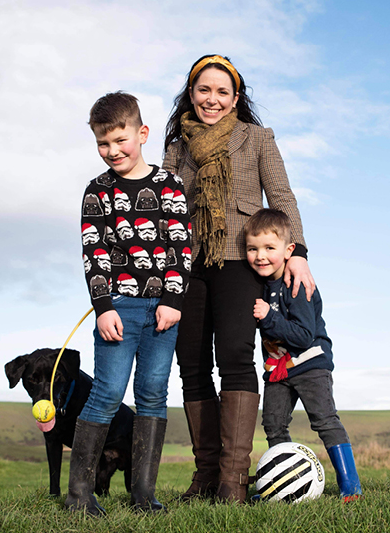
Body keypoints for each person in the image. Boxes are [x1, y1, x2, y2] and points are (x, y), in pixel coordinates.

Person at [162, 54, 315, 503]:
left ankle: (233, 480)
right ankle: (206, 474)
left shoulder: (257, 138)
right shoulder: (178, 144)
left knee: (233, 354)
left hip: (238, 258)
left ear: (235, 97)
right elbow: (165, 207)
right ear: (191, 94)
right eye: (203, 90)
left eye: (222, 92)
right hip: (187, 263)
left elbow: (281, 194)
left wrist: (298, 252)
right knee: (190, 361)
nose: (212, 99)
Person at [65, 91, 191, 515]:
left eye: (120, 140)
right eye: (103, 143)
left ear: (142, 133)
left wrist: (172, 300)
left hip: (163, 311)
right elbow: (93, 252)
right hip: (119, 307)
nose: (112, 151)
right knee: (107, 392)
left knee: (153, 392)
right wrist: (104, 308)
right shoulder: (96, 191)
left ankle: (142, 493)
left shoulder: (169, 185)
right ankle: (79, 495)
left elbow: (180, 248)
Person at [245, 208, 362, 501]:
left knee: (324, 420)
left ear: (289, 250)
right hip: (278, 370)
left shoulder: (296, 284)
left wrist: (267, 318)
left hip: (310, 365)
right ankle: (282, 483)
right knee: (273, 424)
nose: (260, 256)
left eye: (269, 248)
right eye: (252, 248)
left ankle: (351, 487)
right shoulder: (261, 285)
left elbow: (303, 335)